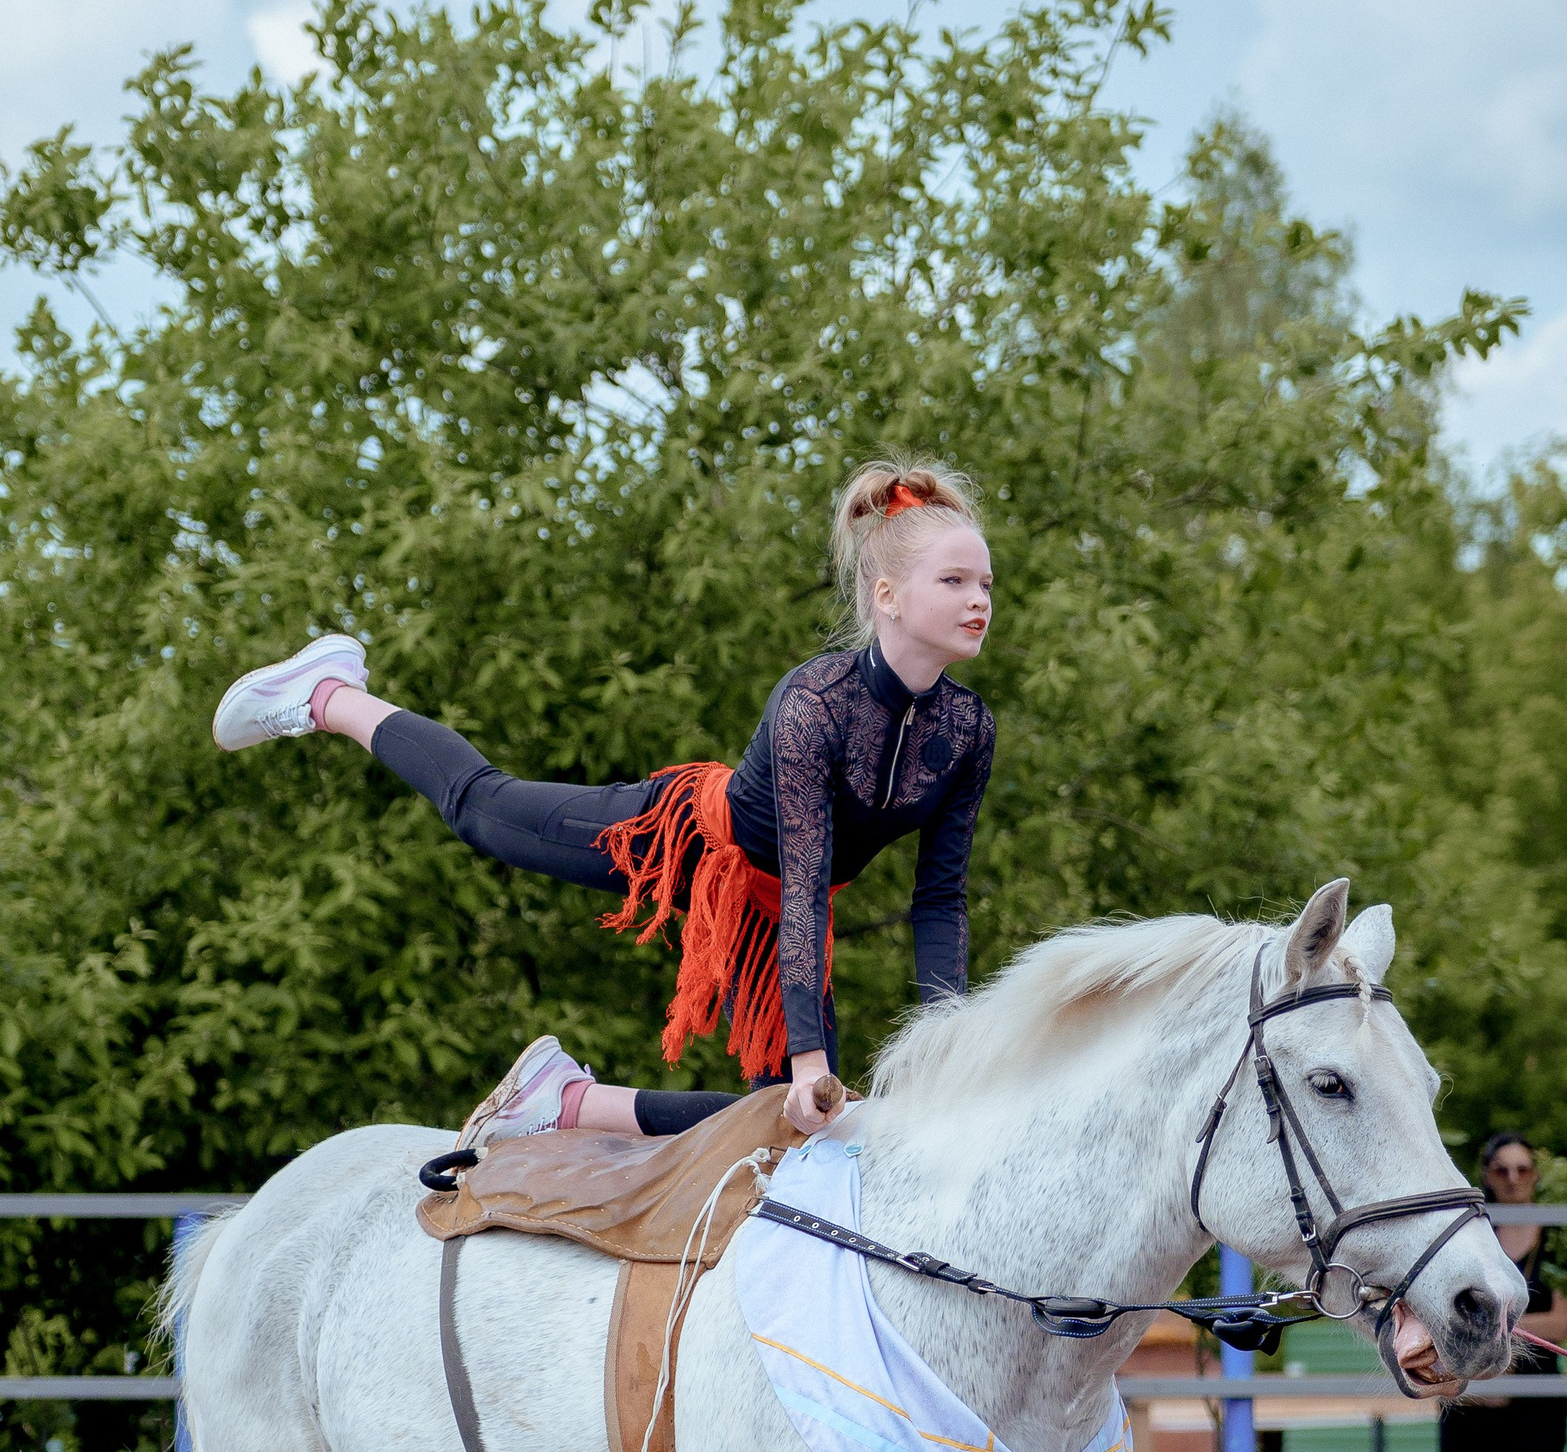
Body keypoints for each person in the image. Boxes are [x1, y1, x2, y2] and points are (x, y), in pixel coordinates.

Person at [210, 462, 996, 1142]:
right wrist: (812, 1059)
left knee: (796, 1128)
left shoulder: (967, 730)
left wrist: (948, 1056)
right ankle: (327, 693)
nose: (977, 601)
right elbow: (805, 881)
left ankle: (569, 1101)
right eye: (954, 581)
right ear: (887, 595)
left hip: (774, 911)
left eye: (985, 583)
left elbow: (939, 901)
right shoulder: (814, 702)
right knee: (485, 809)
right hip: (687, 838)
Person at [1438, 1130, 1567, 1452]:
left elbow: (1561, 1324)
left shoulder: (1559, 1242)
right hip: (1473, 1395)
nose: (1513, 1178)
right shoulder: (1467, 1236)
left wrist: (1497, 1326)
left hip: (1535, 1400)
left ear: (1536, 1175)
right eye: (1502, 1170)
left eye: (1523, 1168)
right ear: (1487, 1176)